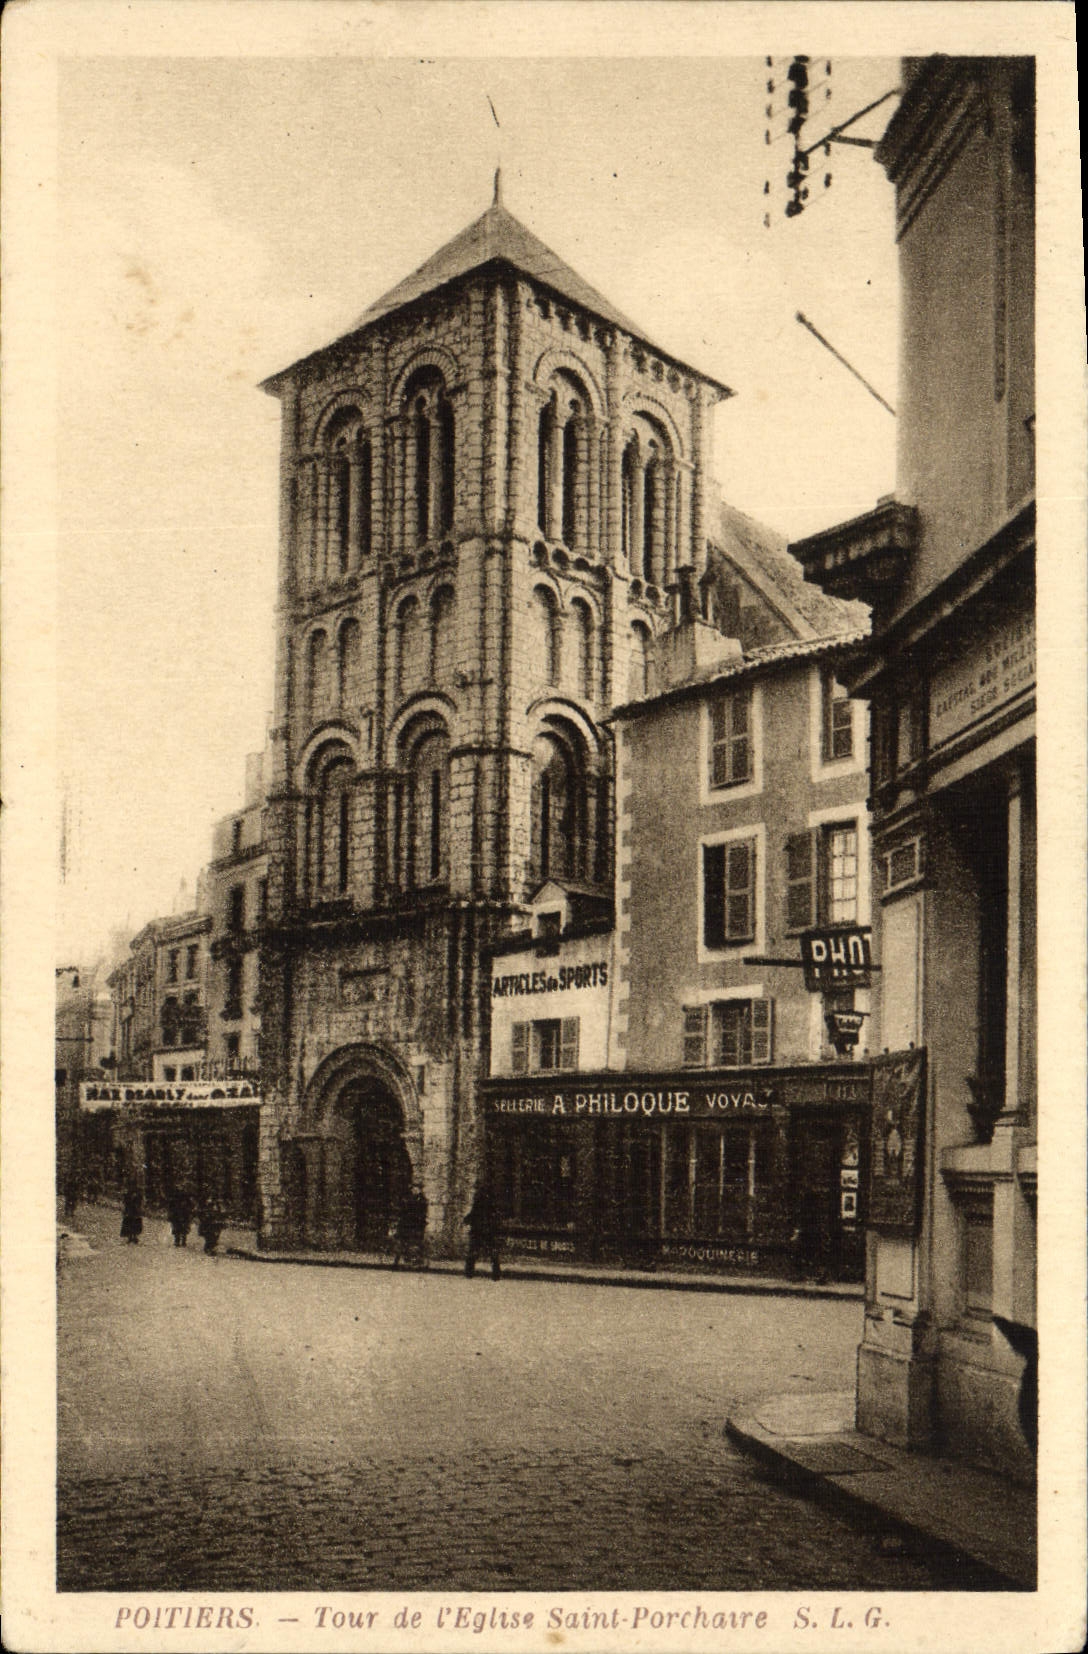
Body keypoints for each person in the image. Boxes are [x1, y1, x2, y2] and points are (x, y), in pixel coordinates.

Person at [463, 1183, 501, 1280]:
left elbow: (474, 1213)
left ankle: (469, 1272)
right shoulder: (491, 1201)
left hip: (479, 1230)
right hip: (488, 1230)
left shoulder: (479, 1200)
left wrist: (467, 1219)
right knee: (492, 1253)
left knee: (473, 1252)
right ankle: (496, 1274)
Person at [392, 1183, 428, 1268]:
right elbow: (402, 1210)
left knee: (416, 1243)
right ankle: (400, 1260)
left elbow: (422, 1212)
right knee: (403, 1242)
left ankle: (418, 1261)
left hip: (416, 1224)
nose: (414, 1191)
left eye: (417, 1189)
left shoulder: (422, 1200)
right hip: (406, 1224)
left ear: (420, 1190)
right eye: (413, 1189)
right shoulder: (407, 1199)